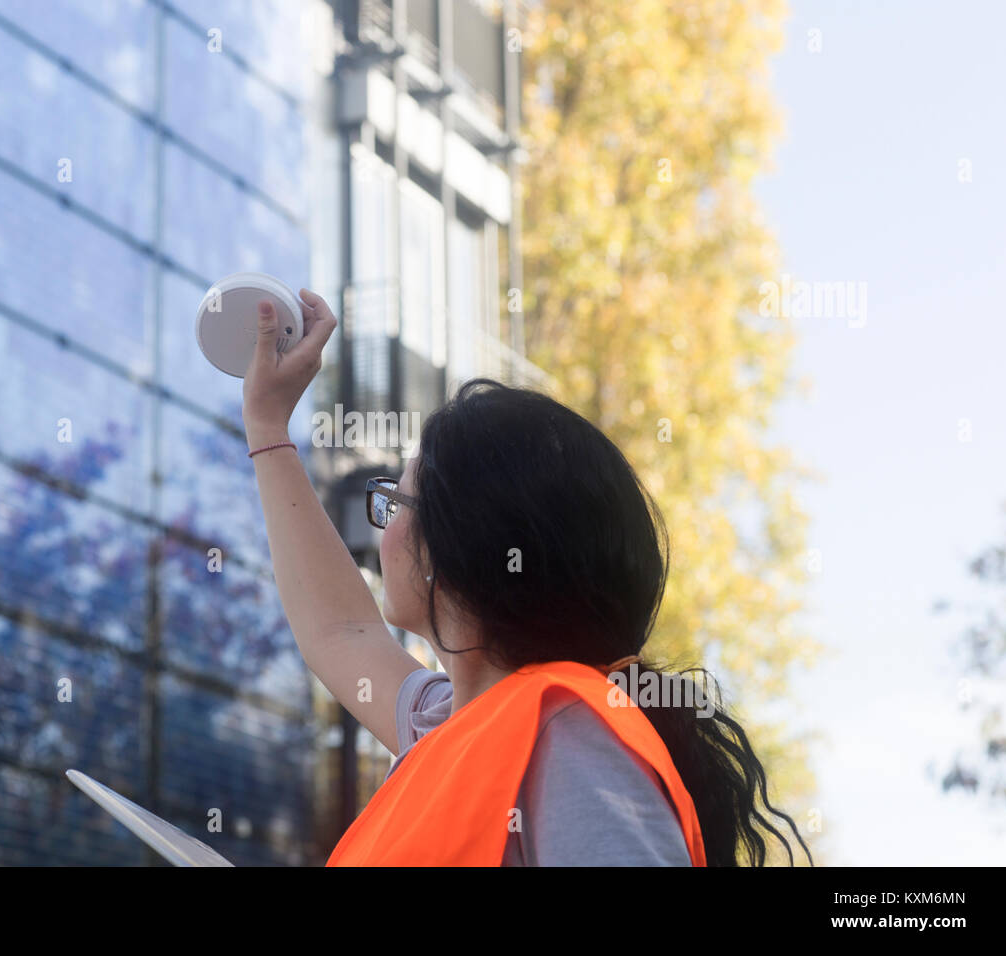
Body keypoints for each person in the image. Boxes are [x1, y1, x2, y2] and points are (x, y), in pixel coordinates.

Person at [241, 288, 812, 867]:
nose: (382, 530)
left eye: (397, 502)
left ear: (454, 544)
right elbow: (340, 631)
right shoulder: (456, 728)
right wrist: (267, 425)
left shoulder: (566, 736)